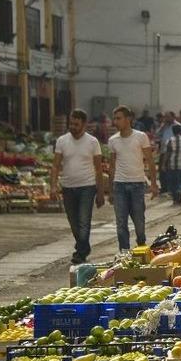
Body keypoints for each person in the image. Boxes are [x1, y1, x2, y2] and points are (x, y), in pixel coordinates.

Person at [51, 109, 105, 264]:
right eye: (71, 124)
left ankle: (80, 253)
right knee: (73, 222)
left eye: (76, 124)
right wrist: (53, 186)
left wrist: (101, 192)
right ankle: (84, 247)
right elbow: (55, 165)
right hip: (67, 187)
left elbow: (99, 169)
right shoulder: (62, 141)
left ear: (84, 124)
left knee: (83, 221)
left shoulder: (92, 142)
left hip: (87, 187)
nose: (73, 127)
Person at [108, 105, 158, 252]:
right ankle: (124, 252)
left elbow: (150, 161)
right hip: (119, 185)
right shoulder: (113, 140)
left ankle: (141, 247)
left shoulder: (141, 137)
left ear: (128, 119)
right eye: (114, 119)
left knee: (139, 221)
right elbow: (112, 166)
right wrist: (110, 190)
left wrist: (153, 184)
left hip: (137, 184)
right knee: (121, 222)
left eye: (119, 118)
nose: (115, 122)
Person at [155, 111, 176, 193]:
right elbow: (157, 135)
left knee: (171, 170)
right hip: (163, 150)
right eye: (165, 117)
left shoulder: (177, 126)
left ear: (173, 117)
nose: (166, 119)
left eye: (168, 117)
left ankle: (171, 188)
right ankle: (164, 187)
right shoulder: (164, 126)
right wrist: (162, 126)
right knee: (162, 170)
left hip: (173, 151)